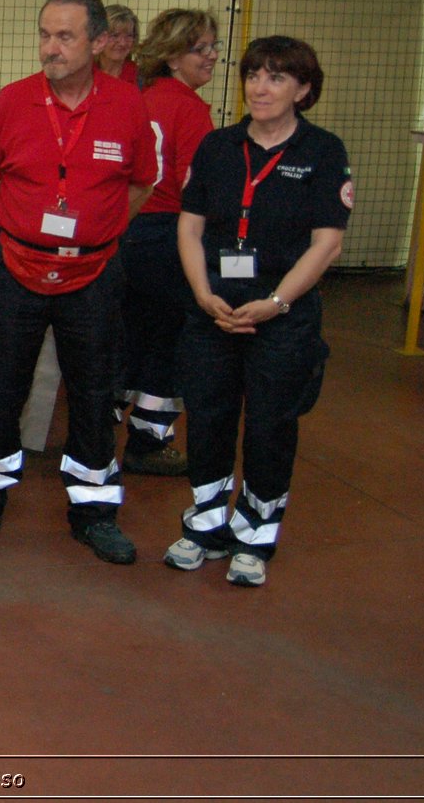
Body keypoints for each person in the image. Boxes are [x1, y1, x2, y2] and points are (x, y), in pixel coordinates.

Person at [0, 0, 157, 564]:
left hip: (95, 272)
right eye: (44, 34)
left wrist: (98, 231)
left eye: (65, 36)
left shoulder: (128, 104)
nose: (50, 48)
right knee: (1, 387)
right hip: (19, 266)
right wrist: (20, 227)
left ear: (98, 41)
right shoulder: (12, 101)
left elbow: (141, 183)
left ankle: (94, 511)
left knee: (93, 393)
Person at [166, 36, 350, 587]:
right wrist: (202, 293)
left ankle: (255, 535)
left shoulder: (322, 152)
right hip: (214, 308)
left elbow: (327, 244)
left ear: (303, 89)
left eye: (275, 77)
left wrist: (275, 304)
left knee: (271, 424)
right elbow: (190, 227)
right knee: (208, 417)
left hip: (282, 315)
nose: (260, 87)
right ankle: (205, 524)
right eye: (252, 75)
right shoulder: (218, 147)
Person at [112, 9, 219, 477]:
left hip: (127, 233)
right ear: (174, 57)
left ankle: (99, 428)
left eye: (214, 47)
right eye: (202, 49)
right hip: (170, 236)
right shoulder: (189, 108)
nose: (213, 56)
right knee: (170, 341)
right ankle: (150, 439)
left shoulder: (140, 97)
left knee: (128, 336)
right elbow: (200, 187)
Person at [97, 4, 139, 86]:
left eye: (129, 36)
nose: (122, 43)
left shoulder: (141, 78)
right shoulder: (83, 75)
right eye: (114, 35)